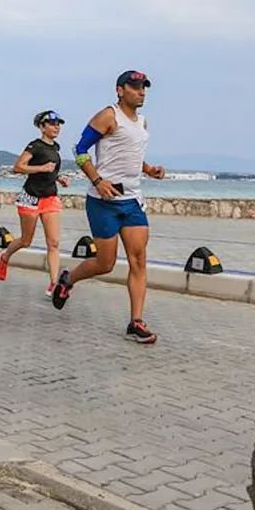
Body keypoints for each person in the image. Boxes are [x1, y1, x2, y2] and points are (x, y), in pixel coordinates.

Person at [51, 70, 165, 343]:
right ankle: (68, 279)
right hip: (103, 202)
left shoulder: (143, 123)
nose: (141, 92)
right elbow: (79, 151)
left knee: (139, 260)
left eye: (144, 88)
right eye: (135, 87)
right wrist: (97, 180)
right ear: (120, 90)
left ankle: (136, 322)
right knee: (106, 263)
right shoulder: (108, 116)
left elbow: (131, 156)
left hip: (132, 201)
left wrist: (148, 169)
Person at [0, 110, 70, 295]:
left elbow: (50, 171)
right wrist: (41, 168)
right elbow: (18, 167)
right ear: (42, 127)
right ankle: (5, 257)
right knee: (26, 240)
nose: (56, 127)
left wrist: (58, 178)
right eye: (52, 123)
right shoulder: (34, 146)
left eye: (58, 124)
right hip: (31, 197)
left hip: (50, 198)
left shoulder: (56, 148)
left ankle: (54, 284)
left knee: (53, 242)